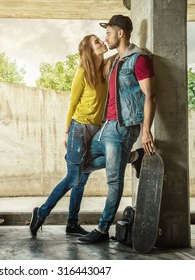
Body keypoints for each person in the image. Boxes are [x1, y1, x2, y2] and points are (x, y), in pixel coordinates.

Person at [76, 15, 156, 244]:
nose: (106, 37)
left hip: (123, 127)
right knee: (81, 163)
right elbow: (96, 64)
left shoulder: (138, 60)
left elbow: (150, 95)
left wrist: (146, 130)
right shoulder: (117, 60)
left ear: (120, 33)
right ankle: (133, 156)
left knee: (113, 180)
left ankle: (102, 229)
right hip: (107, 127)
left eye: (109, 33)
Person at [29, 34, 109, 238]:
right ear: (90, 50)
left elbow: (122, 53)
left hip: (96, 129)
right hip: (79, 129)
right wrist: (66, 132)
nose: (102, 42)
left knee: (86, 176)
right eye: (97, 42)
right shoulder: (82, 73)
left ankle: (72, 224)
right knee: (74, 178)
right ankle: (42, 212)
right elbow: (72, 103)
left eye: (102, 39)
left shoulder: (105, 68)